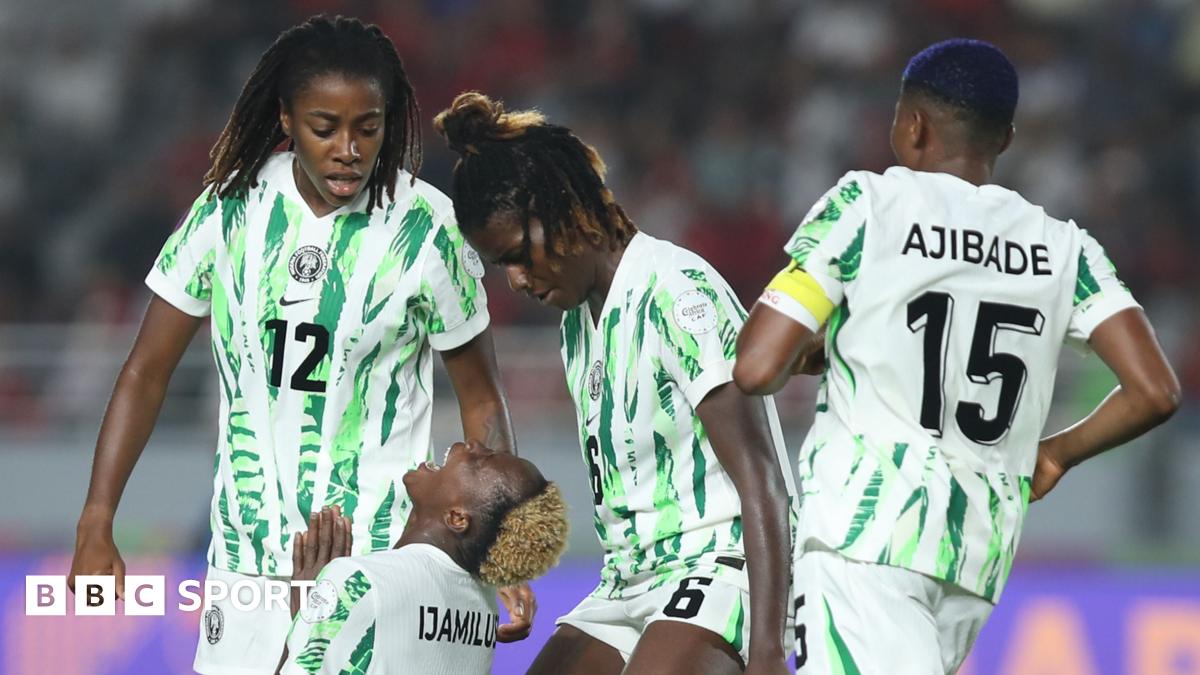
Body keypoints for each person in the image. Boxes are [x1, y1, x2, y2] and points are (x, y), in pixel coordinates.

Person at [66, 16, 536, 674]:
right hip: (244, 567)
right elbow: (146, 371)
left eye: (367, 128)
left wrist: (498, 542)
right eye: (325, 127)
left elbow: (481, 398)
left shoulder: (428, 227)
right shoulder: (228, 210)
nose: (349, 148)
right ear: (287, 120)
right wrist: (97, 518)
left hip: (380, 562)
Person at [733, 38, 1181, 674]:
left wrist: (815, 347)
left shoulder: (868, 206)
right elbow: (1155, 391)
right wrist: (1056, 453)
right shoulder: (1064, 249)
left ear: (912, 125)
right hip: (975, 557)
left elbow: (755, 366)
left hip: (865, 538)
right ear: (1006, 138)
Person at [434, 92, 798, 675]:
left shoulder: (675, 292)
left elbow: (763, 480)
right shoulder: (577, 324)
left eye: (519, 255)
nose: (519, 281)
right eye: (504, 266)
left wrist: (769, 653)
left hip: (721, 567)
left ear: (560, 209)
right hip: (628, 581)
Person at [277, 440, 570, 674]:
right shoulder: (483, 609)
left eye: (480, 460)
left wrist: (303, 611)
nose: (471, 445)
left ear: (457, 518)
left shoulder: (358, 581)